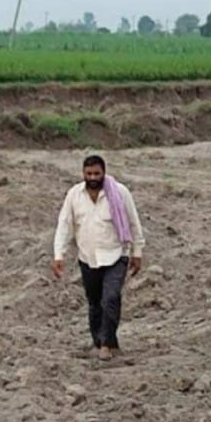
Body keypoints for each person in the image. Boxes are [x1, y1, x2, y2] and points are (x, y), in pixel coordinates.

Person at [52, 155, 145, 361]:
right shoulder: (74, 195)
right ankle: (100, 341)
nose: (93, 177)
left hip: (117, 255)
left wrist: (137, 252)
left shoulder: (120, 193)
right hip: (88, 258)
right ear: (83, 174)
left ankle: (106, 344)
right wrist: (59, 255)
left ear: (104, 172)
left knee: (110, 298)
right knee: (95, 303)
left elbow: (133, 223)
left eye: (97, 173)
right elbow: (64, 226)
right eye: (89, 174)